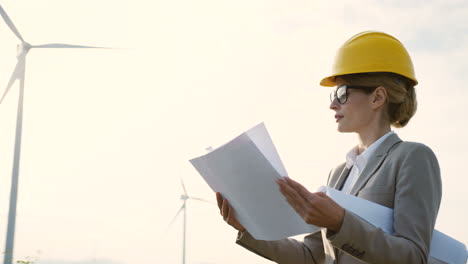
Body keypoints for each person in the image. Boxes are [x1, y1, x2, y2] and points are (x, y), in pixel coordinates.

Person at [215, 31, 443, 264]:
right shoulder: (338, 174)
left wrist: (340, 222)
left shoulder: (413, 158)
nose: (333, 104)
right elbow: (312, 256)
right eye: (333, 95)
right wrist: (250, 230)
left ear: (377, 97)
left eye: (342, 93)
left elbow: (413, 256)